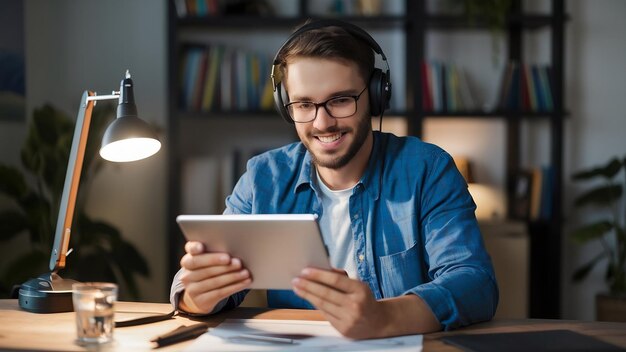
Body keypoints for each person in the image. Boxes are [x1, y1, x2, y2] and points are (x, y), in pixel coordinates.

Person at [171, 19, 498, 339]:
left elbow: (474, 282)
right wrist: (198, 296)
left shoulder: (428, 169)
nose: (322, 122)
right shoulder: (262, 179)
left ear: (375, 94)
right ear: (287, 107)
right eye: (304, 104)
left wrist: (384, 318)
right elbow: (192, 286)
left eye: (341, 100)